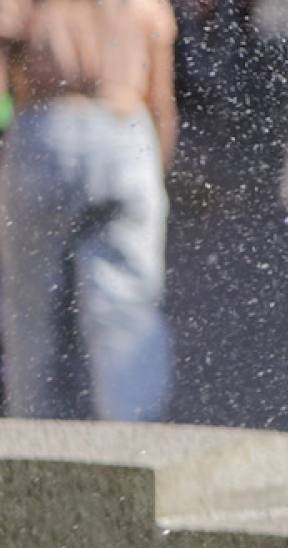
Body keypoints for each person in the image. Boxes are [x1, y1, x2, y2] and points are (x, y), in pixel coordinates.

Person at [0, 0, 178, 422]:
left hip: (46, 125)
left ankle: (35, 450)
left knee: (32, 313)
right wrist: (158, 171)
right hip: (127, 131)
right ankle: (132, 449)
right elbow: (161, 98)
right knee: (127, 309)